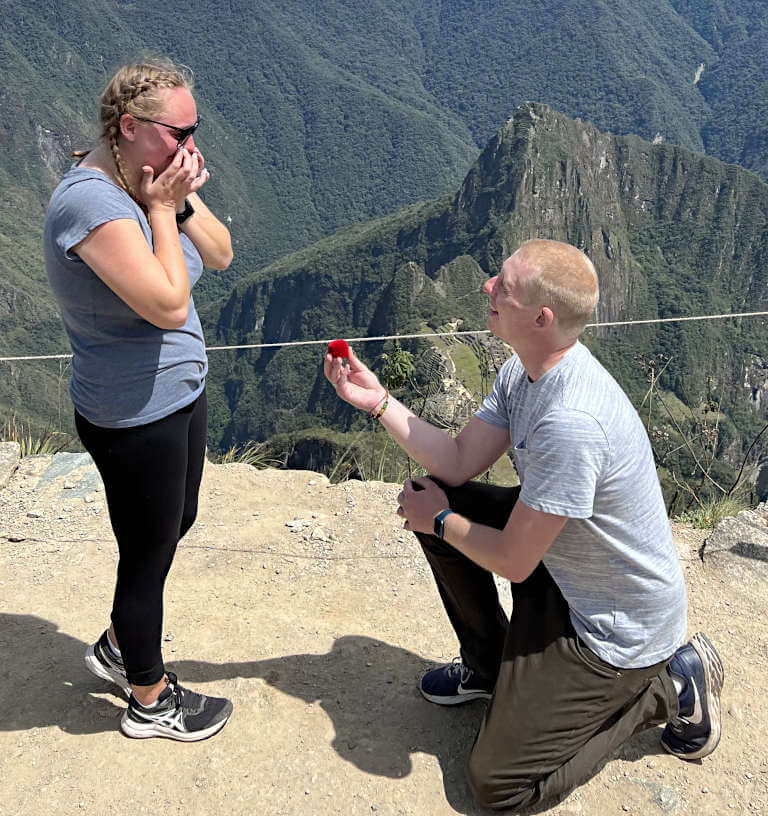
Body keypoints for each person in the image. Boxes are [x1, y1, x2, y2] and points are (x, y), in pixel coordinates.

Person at [325, 239, 723, 811]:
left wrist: (438, 520)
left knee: (496, 786)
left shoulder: (572, 421)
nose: (487, 287)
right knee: (443, 495)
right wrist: (380, 402)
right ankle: (488, 668)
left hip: (613, 632)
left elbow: (514, 560)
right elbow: (460, 460)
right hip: (564, 572)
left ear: (542, 317)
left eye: (502, 287)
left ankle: (671, 685)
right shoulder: (524, 370)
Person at [44, 58, 234, 742]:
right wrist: (159, 210)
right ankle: (149, 699)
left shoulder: (153, 178)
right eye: (179, 131)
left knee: (175, 520)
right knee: (146, 554)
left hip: (178, 393)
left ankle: (123, 642)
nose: (191, 145)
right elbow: (166, 303)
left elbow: (221, 253)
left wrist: (176, 201)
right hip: (131, 413)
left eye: (195, 130)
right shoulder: (92, 204)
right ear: (128, 126)